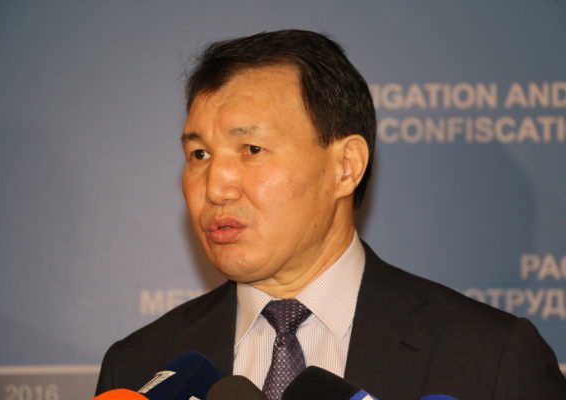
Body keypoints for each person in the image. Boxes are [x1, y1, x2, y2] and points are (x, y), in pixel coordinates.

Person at [96, 30, 566, 399]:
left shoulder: (491, 359)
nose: (215, 186)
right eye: (199, 154)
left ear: (346, 167)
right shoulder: (138, 367)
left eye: (252, 149)